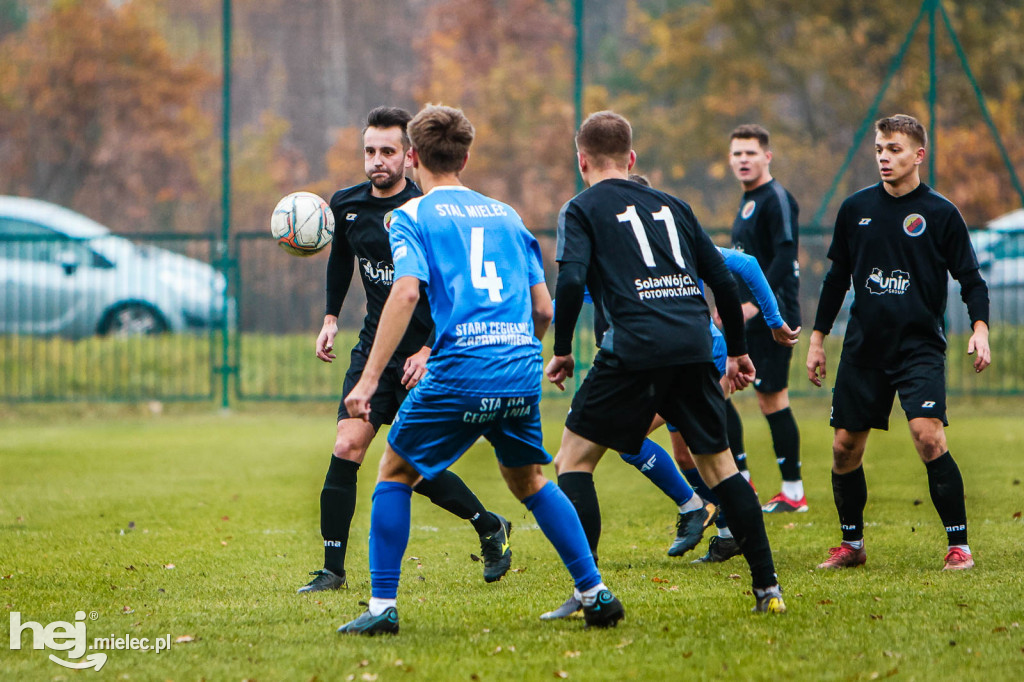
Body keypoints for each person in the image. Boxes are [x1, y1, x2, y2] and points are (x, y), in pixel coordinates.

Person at [337, 104, 624, 635]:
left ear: (414, 157)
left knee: (395, 474)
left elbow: (405, 291)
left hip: (460, 369)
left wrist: (370, 377)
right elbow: (543, 310)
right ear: (466, 156)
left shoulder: (410, 216)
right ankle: (595, 592)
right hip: (518, 366)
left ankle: (381, 610)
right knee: (531, 480)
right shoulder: (507, 214)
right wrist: (518, 353)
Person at [547, 110, 785, 615]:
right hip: (694, 346)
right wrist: (739, 351)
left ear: (581, 160)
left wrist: (563, 349)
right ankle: (768, 589)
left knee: (573, 461)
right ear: (631, 159)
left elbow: (569, 282)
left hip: (633, 347)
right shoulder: (673, 204)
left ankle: (588, 591)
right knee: (721, 469)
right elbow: (723, 278)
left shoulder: (581, 208)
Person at [298, 106, 511, 595]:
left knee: (411, 463)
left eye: (388, 152)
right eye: (370, 151)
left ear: (409, 155)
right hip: (375, 347)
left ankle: (487, 524)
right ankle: (332, 570)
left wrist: (430, 349)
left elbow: (456, 291)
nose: (377, 161)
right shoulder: (346, 206)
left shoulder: (425, 211)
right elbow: (342, 264)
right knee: (347, 445)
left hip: (426, 353)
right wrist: (331, 318)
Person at [807, 114, 990, 571]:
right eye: (879, 150)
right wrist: (816, 340)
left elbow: (971, 279)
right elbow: (835, 279)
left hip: (918, 347)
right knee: (844, 447)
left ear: (918, 155)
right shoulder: (855, 209)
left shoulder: (942, 213)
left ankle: (959, 546)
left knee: (928, 437)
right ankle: (852, 545)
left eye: (894, 150)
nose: (885, 158)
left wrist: (981, 329)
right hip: (864, 348)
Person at [729, 124, 806, 513]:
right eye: (737, 154)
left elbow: (784, 257)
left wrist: (755, 306)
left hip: (775, 316)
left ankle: (793, 491)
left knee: (772, 398)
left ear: (767, 157)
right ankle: (740, 480)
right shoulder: (748, 201)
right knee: (721, 386)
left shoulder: (776, 198)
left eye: (751, 153)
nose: (743, 160)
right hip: (745, 316)